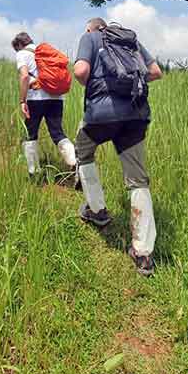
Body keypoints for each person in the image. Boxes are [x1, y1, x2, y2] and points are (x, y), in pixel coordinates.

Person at [72, 18, 163, 276]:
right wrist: (128, 82)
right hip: (135, 115)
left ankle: (97, 210)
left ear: (90, 28)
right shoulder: (130, 40)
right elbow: (156, 72)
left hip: (101, 116)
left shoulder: (89, 38)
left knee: (84, 151)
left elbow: (80, 72)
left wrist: (98, 86)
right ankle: (144, 253)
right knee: (137, 180)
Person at [11, 32, 78, 178]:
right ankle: (75, 162)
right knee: (57, 133)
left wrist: (22, 100)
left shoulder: (22, 53)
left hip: (35, 99)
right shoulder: (48, 52)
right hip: (57, 98)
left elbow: (24, 76)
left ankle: (34, 173)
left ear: (19, 45)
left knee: (30, 134)